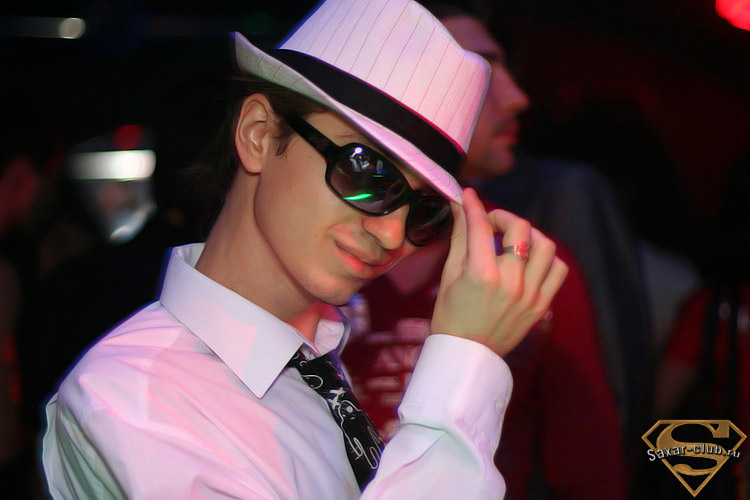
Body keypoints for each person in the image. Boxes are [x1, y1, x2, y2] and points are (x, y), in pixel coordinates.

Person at [41, 1, 567, 499]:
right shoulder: (132, 396)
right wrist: (463, 361)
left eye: (425, 211)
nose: (392, 234)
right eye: (366, 173)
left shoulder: (316, 369)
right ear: (258, 135)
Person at [342, 6, 628, 499]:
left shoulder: (528, 263)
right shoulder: (318, 252)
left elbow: (588, 476)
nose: (517, 98)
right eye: (478, 73)